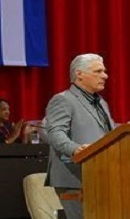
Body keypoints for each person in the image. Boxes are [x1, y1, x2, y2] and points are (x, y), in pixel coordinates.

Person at [45, 53, 114, 219]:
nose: (105, 75)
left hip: (101, 174)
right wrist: (75, 149)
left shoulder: (101, 102)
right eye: (98, 71)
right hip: (74, 177)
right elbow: (55, 132)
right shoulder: (63, 100)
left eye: (104, 71)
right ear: (79, 74)